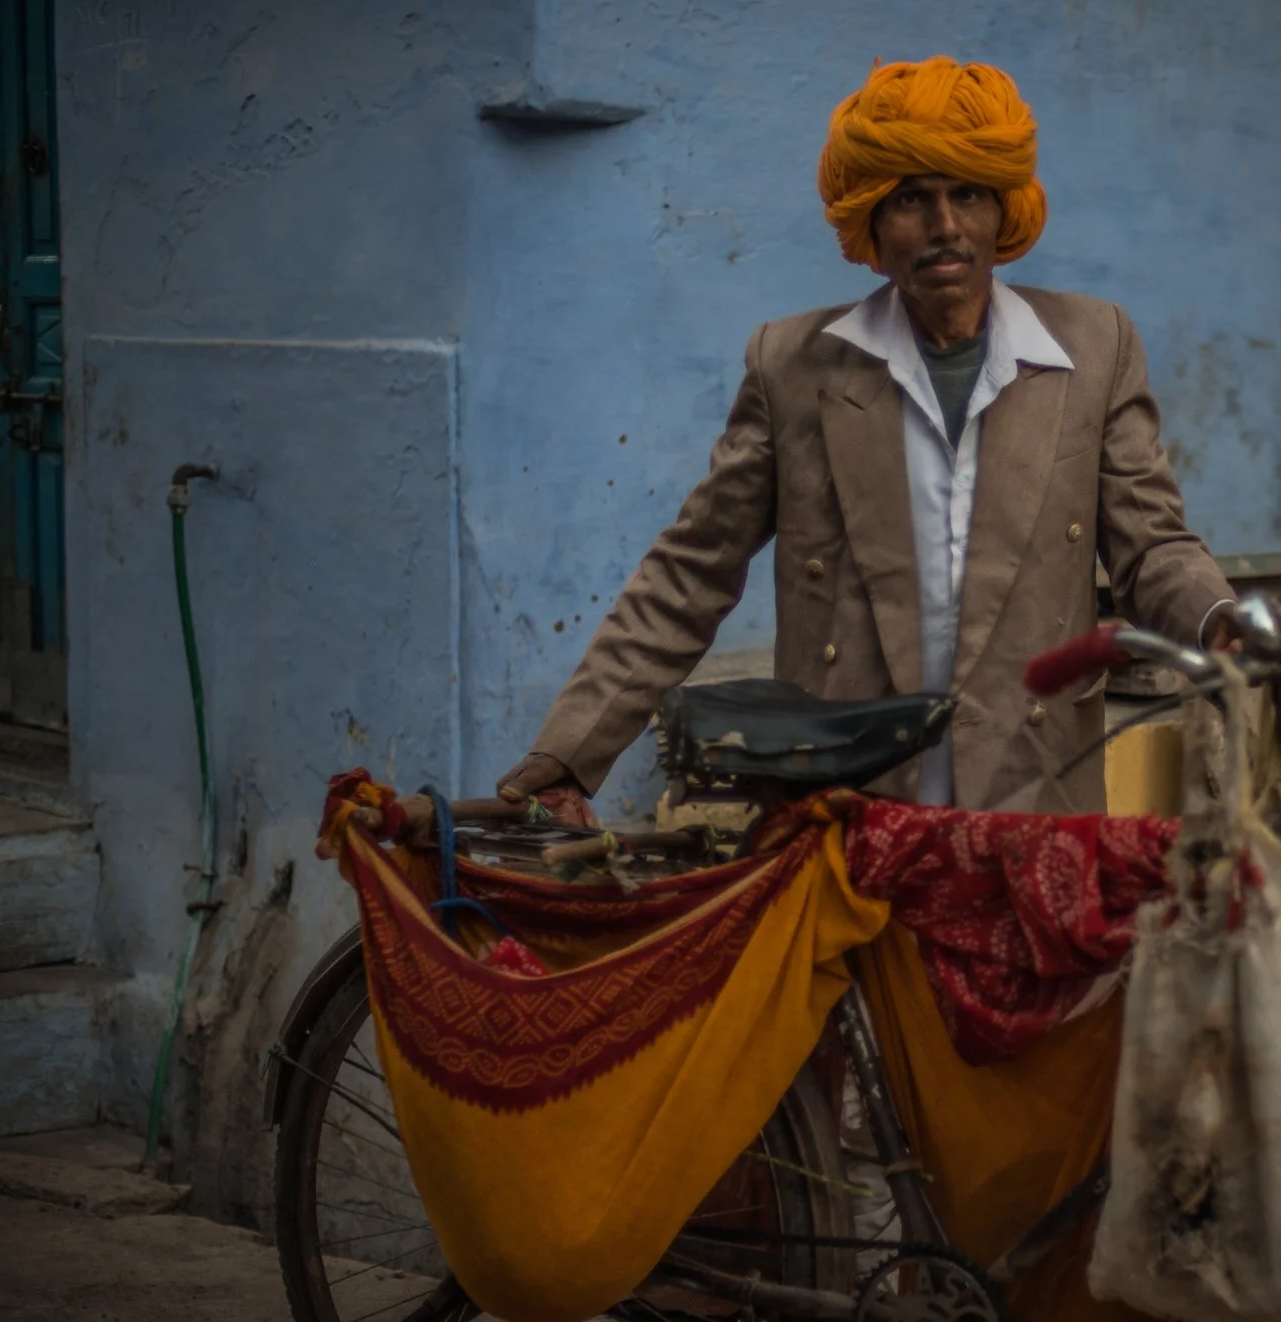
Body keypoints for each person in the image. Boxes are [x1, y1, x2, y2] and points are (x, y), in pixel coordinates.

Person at [498, 56, 1235, 818]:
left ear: (1002, 209)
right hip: (842, 816)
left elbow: (1154, 547)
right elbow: (688, 577)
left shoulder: (1094, 349)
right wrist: (565, 756)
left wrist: (1223, 623)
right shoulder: (793, 370)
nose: (945, 226)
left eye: (968, 194)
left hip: (1036, 805)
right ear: (873, 221)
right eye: (913, 199)